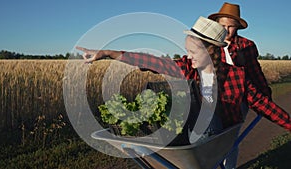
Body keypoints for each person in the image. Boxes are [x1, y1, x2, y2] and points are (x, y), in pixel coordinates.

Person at [76, 16, 291, 167]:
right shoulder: (189, 69)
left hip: (216, 134)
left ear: (210, 51)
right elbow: (155, 62)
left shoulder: (236, 76)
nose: (188, 56)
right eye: (187, 51)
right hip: (193, 137)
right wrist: (108, 53)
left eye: (192, 51)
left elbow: (265, 106)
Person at [208, 3, 272, 168]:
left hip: (238, 100)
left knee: (231, 139)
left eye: (231, 26)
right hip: (213, 100)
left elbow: (255, 72)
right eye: (222, 26)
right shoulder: (209, 45)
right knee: (213, 140)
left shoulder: (247, 46)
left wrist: (266, 94)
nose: (226, 30)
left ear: (237, 27)